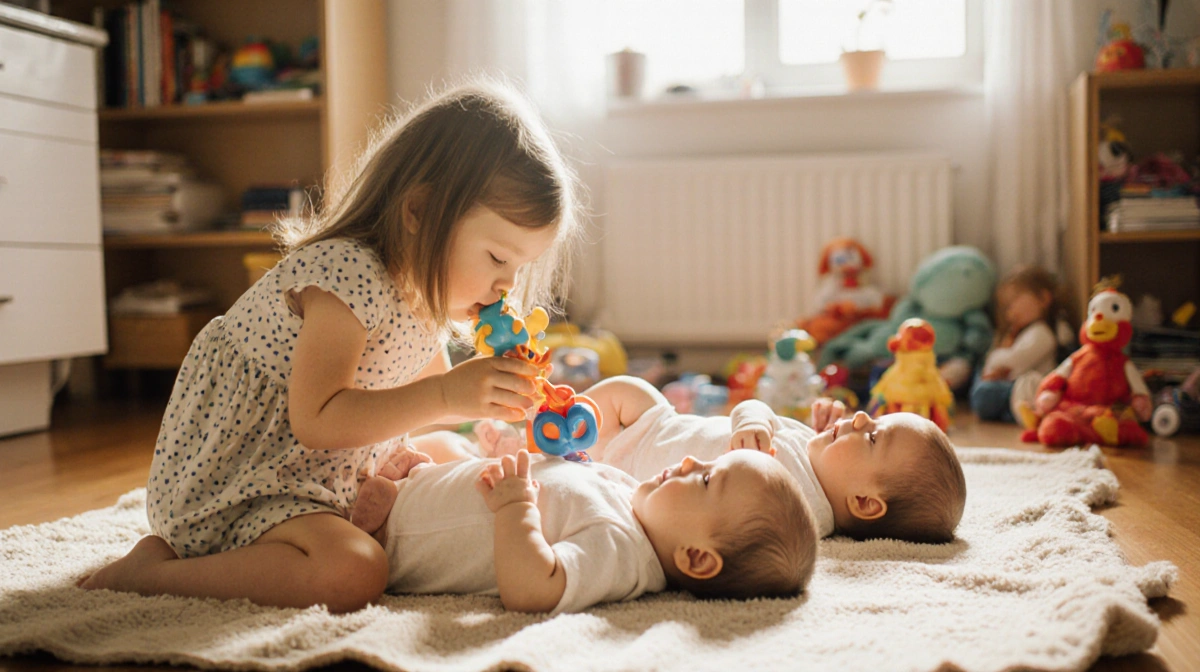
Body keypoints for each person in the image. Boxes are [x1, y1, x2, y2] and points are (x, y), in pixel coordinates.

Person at [80, 81, 585, 613]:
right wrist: (446, 395)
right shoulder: (347, 273)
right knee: (354, 571)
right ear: (419, 211)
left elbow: (429, 406)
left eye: (520, 267)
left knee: (453, 455)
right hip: (243, 482)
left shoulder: (423, 299)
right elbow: (318, 419)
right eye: (498, 258)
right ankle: (153, 575)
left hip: (319, 473)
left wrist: (494, 405)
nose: (508, 285)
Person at [477, 376, 966, 544]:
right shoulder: (809, 443)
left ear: (864, 502)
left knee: (569, 487)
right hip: (652, 428)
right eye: (873, 418)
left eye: (874, 437)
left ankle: (529, 453)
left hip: (631, 481)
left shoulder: (799, 516)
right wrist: (752, 422)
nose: (861, 417)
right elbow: (754, 406)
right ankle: (542, 433)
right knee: (630, 389)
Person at [349, 444, 818, 614]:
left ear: (696, 557)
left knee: (339, 564)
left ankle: (379, 522)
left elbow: (533, 589)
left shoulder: (620, 550)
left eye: (708, 479)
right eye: (710, 459)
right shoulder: (634, 500)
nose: (692, 460)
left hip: (398, 536)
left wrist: (516, 508)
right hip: (422, 487)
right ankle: (414, 479)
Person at [970, 266, 1062, 424]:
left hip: (1026, 392)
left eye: (1014, 301)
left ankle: (1019, 411)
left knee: (983, 392)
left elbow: (1013, 362)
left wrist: (999, 352)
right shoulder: (1027, 332)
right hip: (1015, 387)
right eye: (1007, 307)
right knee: (981, 382)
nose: (1009, 312)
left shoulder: (1042, 333)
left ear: (1043, 298)